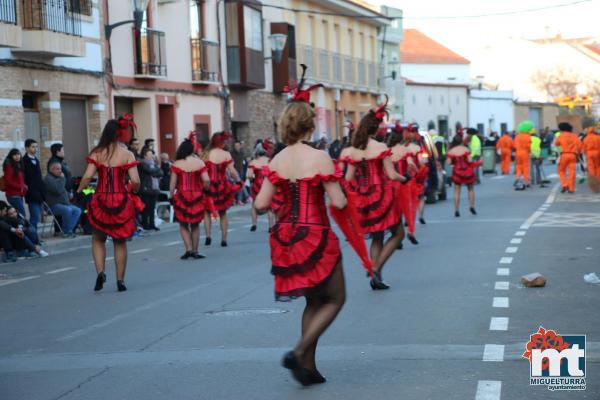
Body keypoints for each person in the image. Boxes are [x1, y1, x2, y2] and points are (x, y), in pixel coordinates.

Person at [254, 100, 347, 386]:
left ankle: (308, 367)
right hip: (315, 232)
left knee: (313, 300)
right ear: (310, 124)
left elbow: (259, 204)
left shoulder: (278, 160)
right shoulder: (319, 157)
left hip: (286, 236)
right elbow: (339, 201)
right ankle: (298, 351)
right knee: (335, 298)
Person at [342, 98, 408, 290]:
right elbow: (391, 174)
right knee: (398, 234)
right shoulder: (381, 147)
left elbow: (348, 178)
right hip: (381, 195)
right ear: (376, 128)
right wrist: (406, 178)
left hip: (363, 196)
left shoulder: (354, 150)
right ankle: (376, 268)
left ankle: (375, 276)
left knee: (377, 237)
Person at [78, 119, 141, 292]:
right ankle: (120, 281)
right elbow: (135, 181)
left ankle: (100, 272)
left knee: (98, 239)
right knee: (120, 241)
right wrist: (132, 190)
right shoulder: (127, 154)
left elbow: (87, 176)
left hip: (101, 199)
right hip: (120, 199)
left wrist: (79, 190)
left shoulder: (97, 153)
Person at [170, 139, 210, 260]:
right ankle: (195, 251)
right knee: (195, 224)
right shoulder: (199, 163)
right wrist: (204, 189)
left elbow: (172, 183)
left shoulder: (177, 164)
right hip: (197, 195)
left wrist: (171, 196)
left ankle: (188, 249)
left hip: (182, 195)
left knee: (183, 223)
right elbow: (206, 180)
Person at [203, 131, 242, 247]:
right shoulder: (226, 154)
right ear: (221, 142)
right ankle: (224, 239)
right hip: (221, 185)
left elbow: (202, 171)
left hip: (208, 185)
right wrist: (239, 181)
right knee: (223, 213)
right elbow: (232, 171)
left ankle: (208, 236)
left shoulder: (205, 154)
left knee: (207, 212)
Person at [389, 123, 419, 246]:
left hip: (391, 184)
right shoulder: (404, 150)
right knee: (409, 208)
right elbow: (411, 164)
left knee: (395, 211)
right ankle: (410, 232)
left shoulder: (387, 151)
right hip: (404, 183)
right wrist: (417, 172)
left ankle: (396, 237)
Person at [44, 162, 82, 237]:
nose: (60, 171)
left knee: (77, 210)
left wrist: (68, 195)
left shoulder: (58, 178)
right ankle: (66, 231)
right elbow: (57, 190)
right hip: (53, 206)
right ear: (52, 170)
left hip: (63, 204)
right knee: (68, 210)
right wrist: (62, 178)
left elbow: (62, 191)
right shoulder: (48, 179)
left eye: (60, 169)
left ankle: (69, 230)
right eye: (57, 169)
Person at [447, 136, 479, 217]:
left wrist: (454, 161)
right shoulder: (466, 149)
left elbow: (449, 162)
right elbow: (470, 160)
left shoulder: (451, 151)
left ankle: (456, 210)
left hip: (457, 171)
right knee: (470, 189)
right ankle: (471, 206)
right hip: (467, 170)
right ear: (461, 141)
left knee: (457, 191)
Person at [247, 144, 274, 232]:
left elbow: (249, 175)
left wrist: (253, 179)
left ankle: (254, 224)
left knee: (254, 205)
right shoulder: (270, 161)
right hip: (268, 183)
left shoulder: (253, 162)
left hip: (257, 184)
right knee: (270, 206)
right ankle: (270, 226)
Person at [138, 148, 163, 230]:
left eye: (152, 154)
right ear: (145, 156)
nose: (151, 156)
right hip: (146, 188)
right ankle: (145, 224)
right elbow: (150, 171)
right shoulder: (142, 163)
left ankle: (152, 224)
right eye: (149, 154)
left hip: (154, 188)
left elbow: (161, 172)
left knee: (152, 207)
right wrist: (156, 170)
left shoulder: (154, 163)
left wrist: (155, 170)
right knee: (146, 207)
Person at [22, 139, 44, 231]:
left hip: (39, 193)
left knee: (37, 216)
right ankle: (33, 237)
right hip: (31, 193)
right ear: (27, 148)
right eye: (33, 147)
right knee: (34, 216)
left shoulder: (36, 160)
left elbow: (39, 178)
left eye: (36, 147)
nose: (35, 149)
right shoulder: (24, 161)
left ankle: (35, 236)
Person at [555, 122, 582, 193]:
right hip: (573, 155)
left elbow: (556, 143)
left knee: (561, 171)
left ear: (561, 129)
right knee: (572, 172)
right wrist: (578, 153)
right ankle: (571, 188)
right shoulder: (574, 136)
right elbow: (579, 145)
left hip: (564, 155)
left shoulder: (561, 135)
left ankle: (565, 184)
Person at [3, 148, 27, 216]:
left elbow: (19, 179)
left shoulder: (18, 165)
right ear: (11, 156)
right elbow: (8, 181)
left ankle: (18, 226)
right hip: (13, 194)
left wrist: (24, 185)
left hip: (19, 194)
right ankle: (22, 226)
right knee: (22, 214)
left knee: (19, 214)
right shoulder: (9, 166)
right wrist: (21, 186)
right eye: (15, 155)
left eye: (18, 154)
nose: (17, 156)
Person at [514, 121, 534, 188]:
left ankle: (518, 177)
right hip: (525, 152)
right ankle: (526, 181)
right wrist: (530, 152)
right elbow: (528, 146)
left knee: (519, 166)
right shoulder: (528, 136)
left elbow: (515, 145)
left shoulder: (517, 136)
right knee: (526, 167)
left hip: (518, 152)